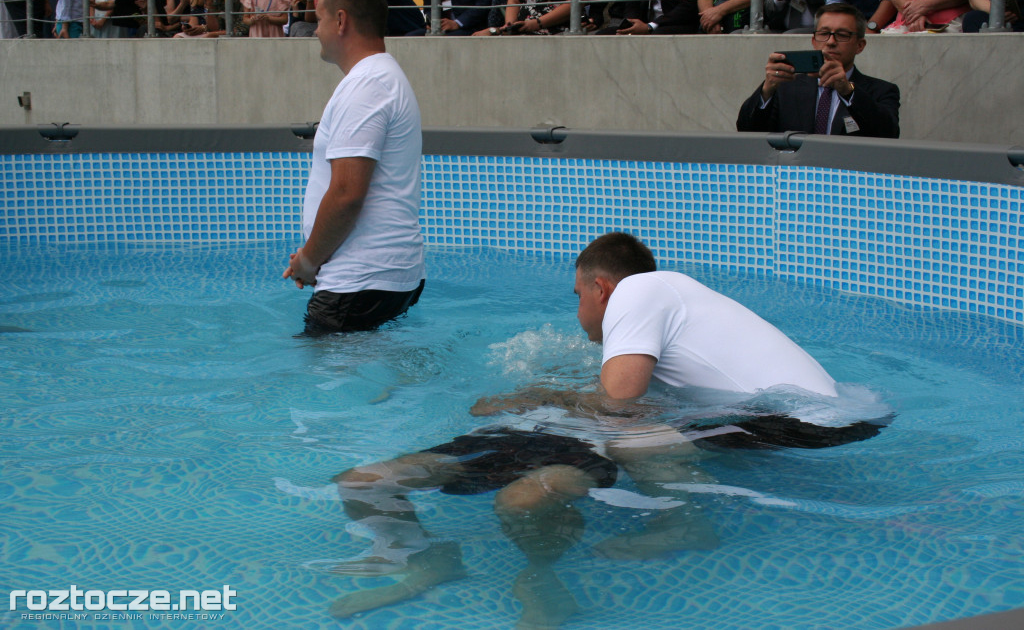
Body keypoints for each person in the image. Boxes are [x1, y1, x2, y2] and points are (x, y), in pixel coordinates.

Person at [326, 232, 887, 627]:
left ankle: (550, 578)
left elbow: (618, 405)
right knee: (362, 481)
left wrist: (540, 393)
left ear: (601, 288)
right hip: (800, 416)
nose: (577, 315)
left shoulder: (639, 294)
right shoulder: (662, 326)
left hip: (797, 424)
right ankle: (429, 559)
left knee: (533, 495)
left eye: (577, 298)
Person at [283, 0, 425, 336]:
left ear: (341, 20)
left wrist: (309, 260)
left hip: (359, 280)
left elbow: (347, 193)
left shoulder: (367, 84)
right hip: (379, 276)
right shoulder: (383, 77)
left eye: (319, 19)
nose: (315, 31)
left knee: (322, 387)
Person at [736, 2, 900, 138]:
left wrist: (848, 91)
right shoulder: (785, 87)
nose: (831, 42)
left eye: (842, 35)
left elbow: (889, 134)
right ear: (814, 41)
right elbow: (746, 130)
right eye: (824, 34)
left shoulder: (882, 91)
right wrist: (766, 91)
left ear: (860, 45)